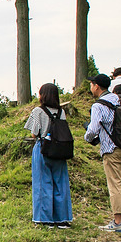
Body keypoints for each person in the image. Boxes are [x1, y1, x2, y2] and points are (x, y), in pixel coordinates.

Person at [85, 73, 121, 232]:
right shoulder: (120, 99)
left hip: (111, 149)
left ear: (96, 86)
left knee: (115, 185)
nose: (91, 87)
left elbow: (93, 129)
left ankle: (118, 221)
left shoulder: (98, 105)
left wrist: (87, 137)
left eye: (91, 84)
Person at [23, 83, 73, 229]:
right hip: (60, 149)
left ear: (42, 95)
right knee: (61, 184)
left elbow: (34, 133)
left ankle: (45, 219)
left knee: (43, 183)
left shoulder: (38, 111)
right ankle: (62, 219)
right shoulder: (61, 112)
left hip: (43, 148)